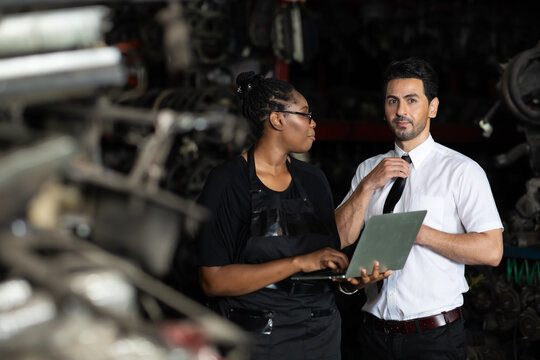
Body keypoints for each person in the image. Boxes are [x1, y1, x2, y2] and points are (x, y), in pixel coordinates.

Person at [196, 71, 390, 360]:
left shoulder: (314, 179)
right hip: (258, 336)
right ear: (277, 119)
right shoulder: (227, 182)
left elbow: (325, 257)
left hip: (320, 333)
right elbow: (213, 281)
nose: (313, 123)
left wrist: (349, 281)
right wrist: (299, 262)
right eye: (305, 114)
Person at [335, 57, 504, 359]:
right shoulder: (368, 169)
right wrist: (367, 186)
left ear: (433, 107)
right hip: (372, 334)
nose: (401, 111)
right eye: (392, 101)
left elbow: (491, 251)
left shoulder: (462, 171)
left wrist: (416, 232)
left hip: (434, 338)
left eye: (412, 100)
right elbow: (339, 238)